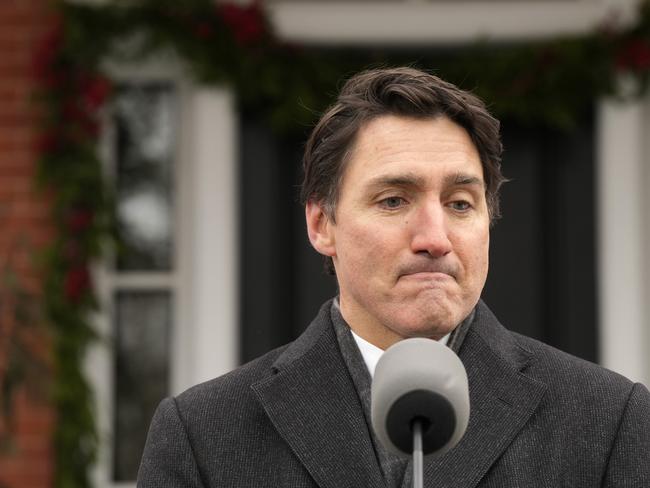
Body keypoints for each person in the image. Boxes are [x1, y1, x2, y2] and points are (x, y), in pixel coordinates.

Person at [138, 67, 650, 487]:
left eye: (459, 203)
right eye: (393, 200)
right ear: (321, 224)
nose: (435, 236)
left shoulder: (610, 422)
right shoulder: (202, 435)